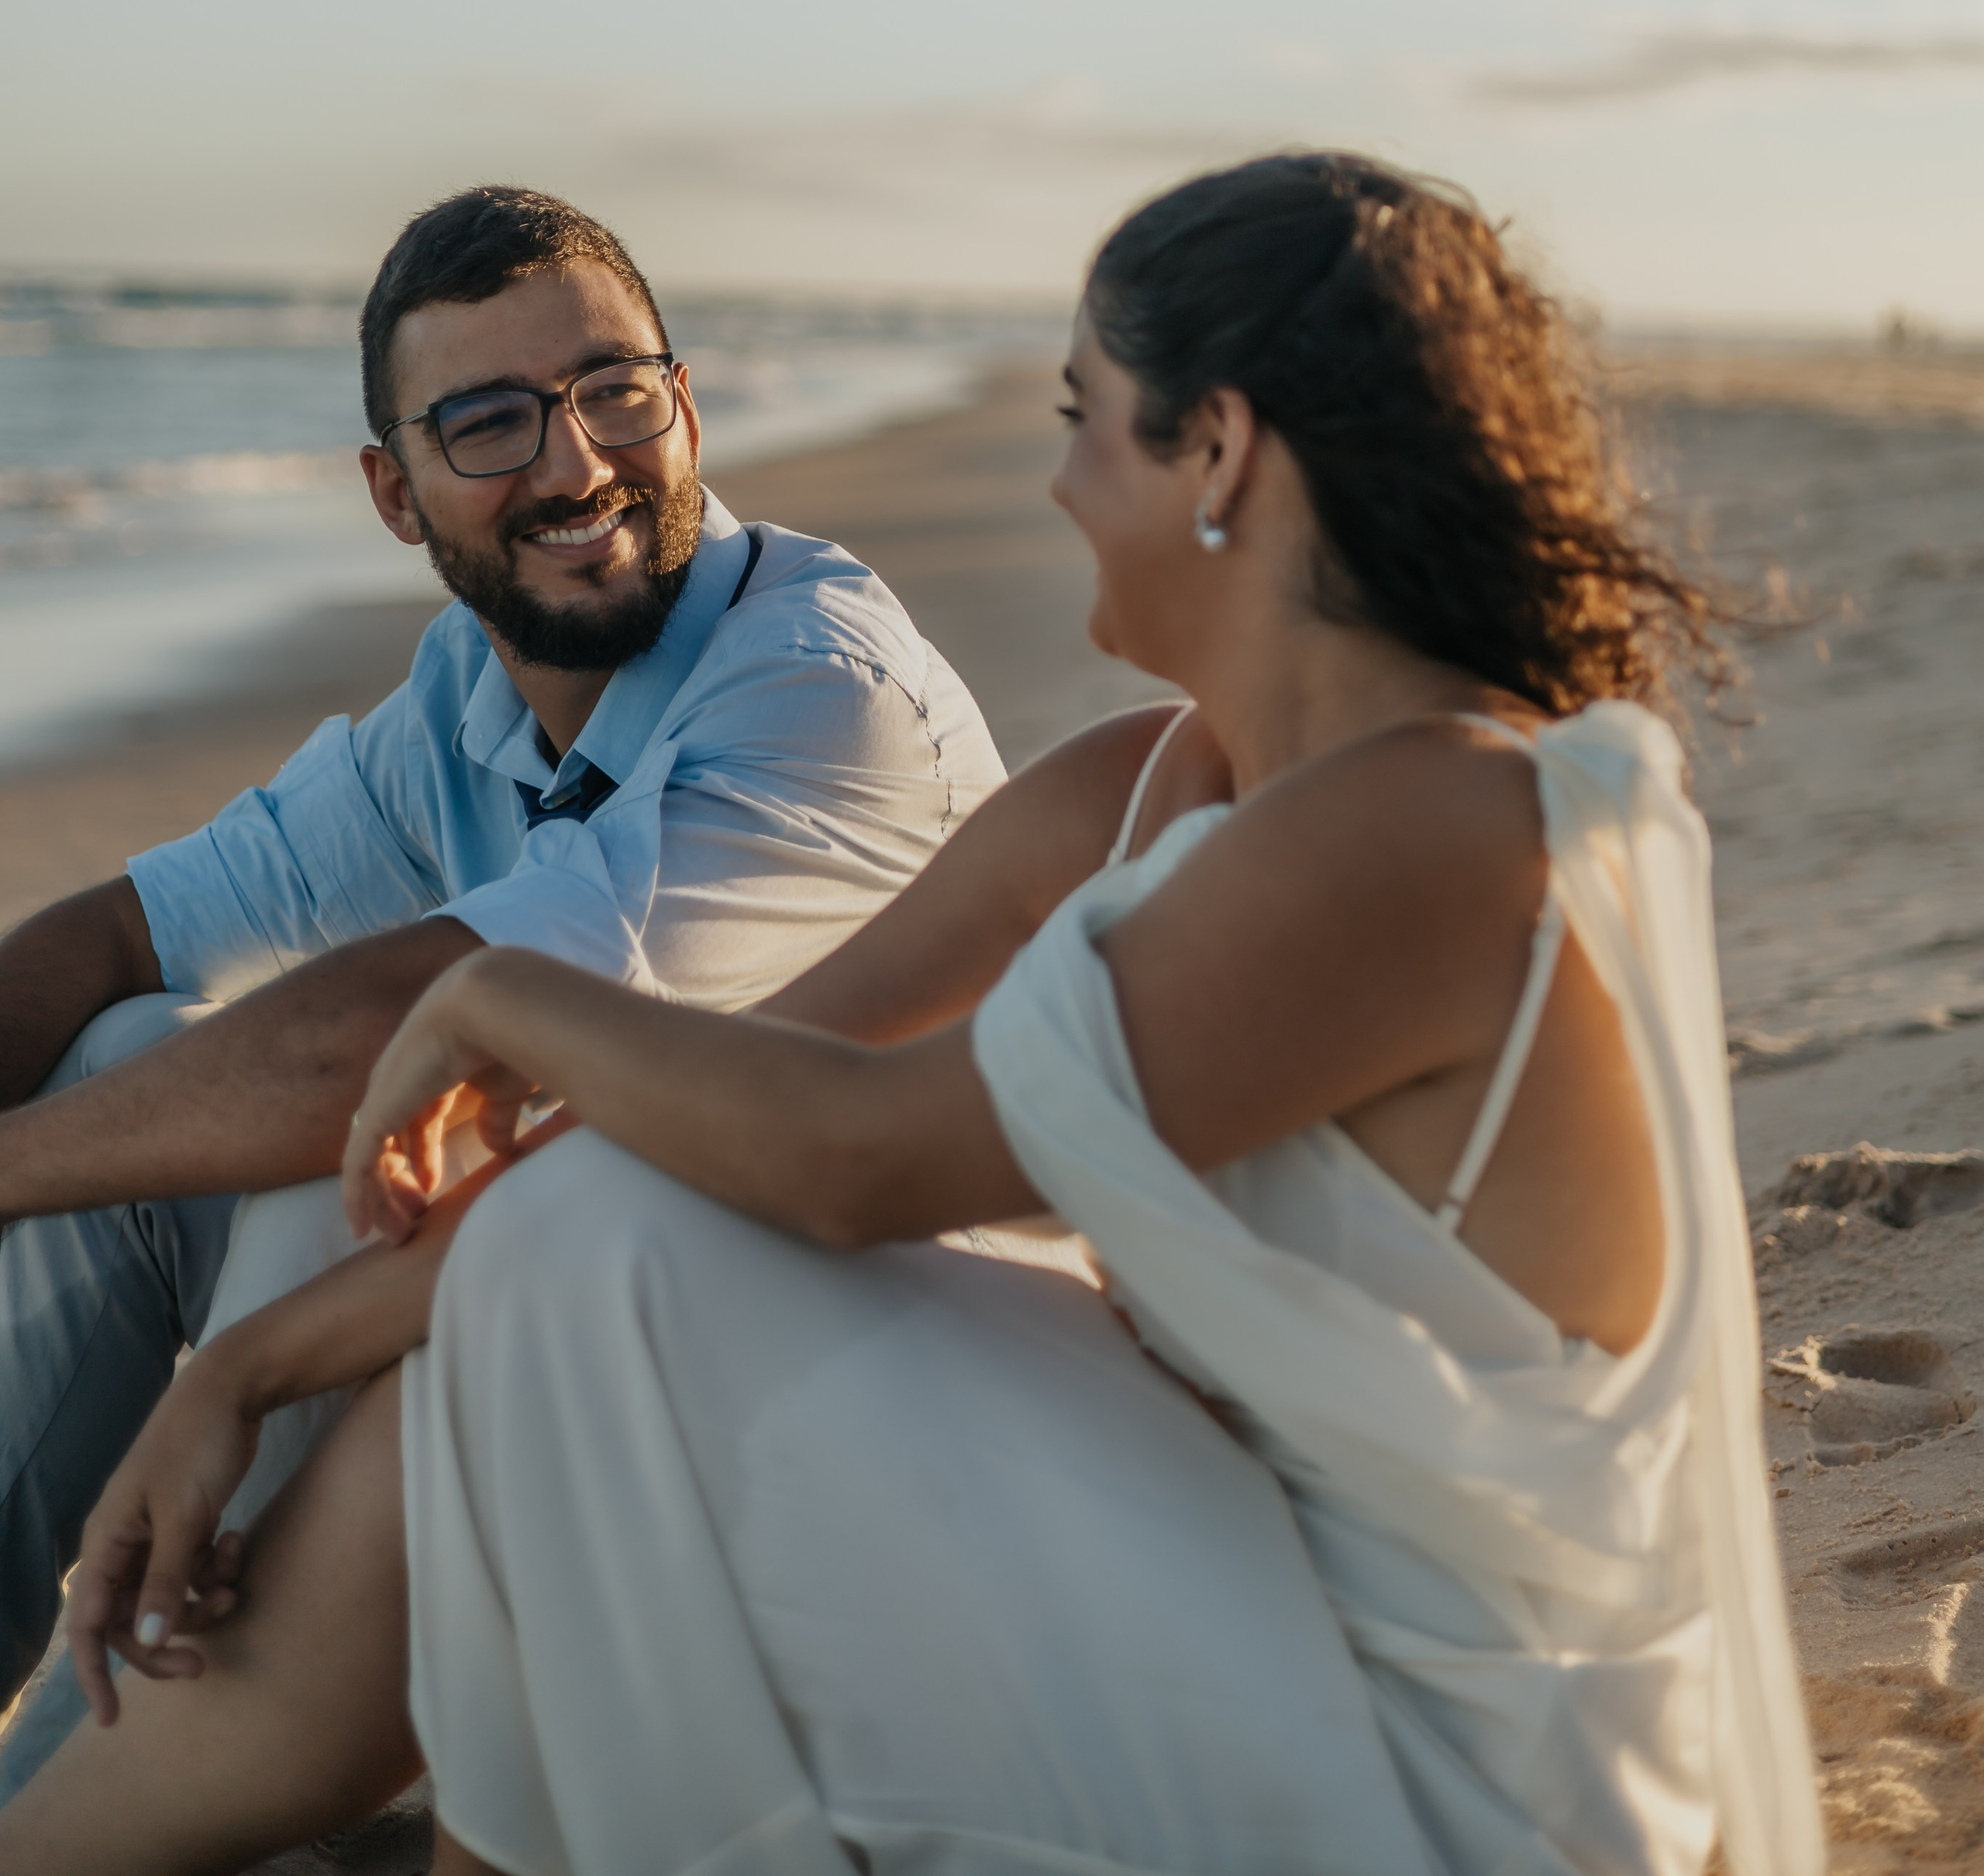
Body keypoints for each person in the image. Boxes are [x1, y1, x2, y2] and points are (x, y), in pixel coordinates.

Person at [2, 153, 1822, 1876]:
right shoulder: (1149, 780)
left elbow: (848, 1161)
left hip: (1436, 1743)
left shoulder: (1416, 827)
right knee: (548, 1235)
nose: (1050, 486)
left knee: (580, 1258)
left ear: (1220, 454)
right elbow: (750, 1084)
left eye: (1076, 419)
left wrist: (492, 1002)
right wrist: (248, 1367)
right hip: (1220, 1555)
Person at [0, 182, 1001, 1786]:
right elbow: (127, 930)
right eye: (489, 423)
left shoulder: (822, 693)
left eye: (614, 392)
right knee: (127, 1048)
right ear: (396, 496)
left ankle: (117, 1790)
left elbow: (415, 1033)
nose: (575, 462)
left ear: (682, 402)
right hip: (576, 1314)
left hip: (846, 1406)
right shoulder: (467, 691)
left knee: (355, 1171)